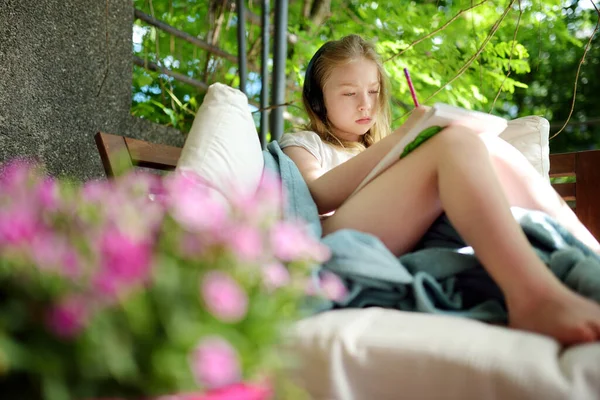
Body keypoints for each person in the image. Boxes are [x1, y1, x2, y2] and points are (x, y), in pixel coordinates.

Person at [278, 34, 600, 345]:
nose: (366, 104)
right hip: (337, 238)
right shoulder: (305, 142)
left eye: (373, 91)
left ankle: (592, 253)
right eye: (349, 94)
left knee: (483, 142)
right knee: (454, 143)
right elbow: (317, 193)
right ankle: (531, 297)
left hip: (396, 231)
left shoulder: (375, 146)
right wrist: (401, 136)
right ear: (318, 101)